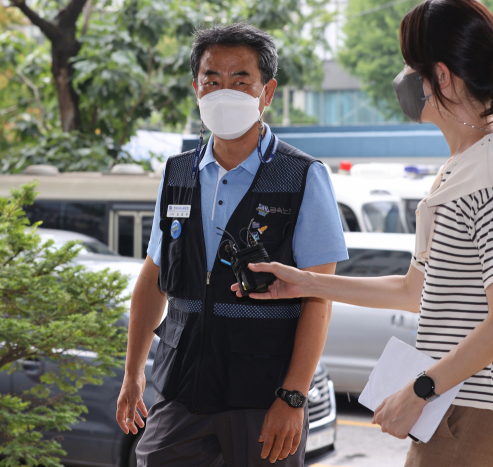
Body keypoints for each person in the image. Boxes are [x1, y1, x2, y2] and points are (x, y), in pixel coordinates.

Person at [232, 1, 493, 466]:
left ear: (440, 77)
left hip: (476, 414)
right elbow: (413, 290)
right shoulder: (464, 167)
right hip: (452, 410)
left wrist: (419, 391)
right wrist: (304, 283)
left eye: (409, 64)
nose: (403, 77)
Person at [115, 23, 348, 466]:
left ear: (268, 92)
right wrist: (133, 375)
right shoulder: (177, 173)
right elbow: (153, 276)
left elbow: (319, 297)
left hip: (263, 395)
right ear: (196, 89)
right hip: (180, 389)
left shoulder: (301, 176)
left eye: (241, 80)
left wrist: (293, 397)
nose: (225, 92)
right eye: (212, 80)